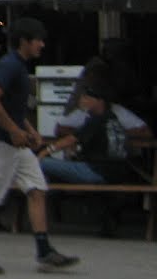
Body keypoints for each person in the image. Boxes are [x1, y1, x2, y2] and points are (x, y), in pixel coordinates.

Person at [0, 17, 78, 274]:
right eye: (37, 39)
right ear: (24, 41)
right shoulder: (9, 66)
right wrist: (15, 130)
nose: (42, 44)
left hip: (16, 143)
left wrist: (29, 130)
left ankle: (44, 249)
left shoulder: (18, 67)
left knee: (37, 188)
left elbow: (12, 107)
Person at [39, 80, 152, 235]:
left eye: (86, 98)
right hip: (116, 173)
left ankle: (37, 208)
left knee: (40, 163)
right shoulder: (114, 118)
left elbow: (71, 139)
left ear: (99, 101)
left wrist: (46, 151)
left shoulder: (96, 120)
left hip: (96, 172)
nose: (81, 101)